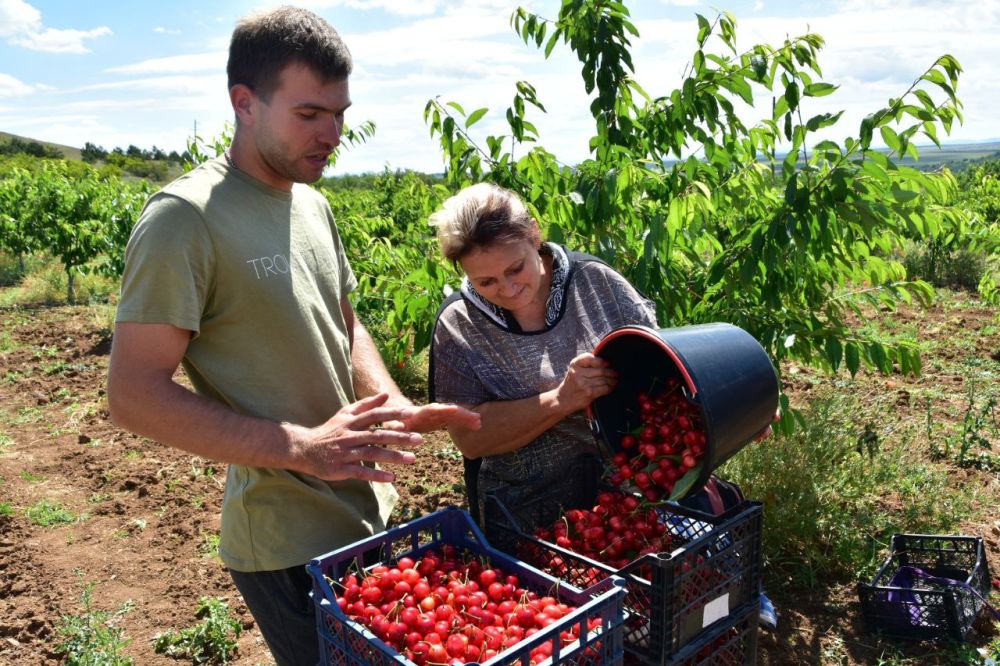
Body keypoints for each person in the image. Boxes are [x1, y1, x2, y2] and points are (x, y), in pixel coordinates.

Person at [106, 7, 479, 666]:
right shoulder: (184, 220)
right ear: (244, 103)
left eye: (339, 113)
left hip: (365, 506)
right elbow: (133, 395)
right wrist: (303, 448)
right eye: (309, 114)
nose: (332, 134)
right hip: (285, 539)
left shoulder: (313, 203)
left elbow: (343, 320)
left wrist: (390, 401)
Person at [427, 182, 658, 530]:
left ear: (534, 235)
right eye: (486, 282)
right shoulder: (459, 323)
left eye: (516, 268)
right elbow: (470, 439)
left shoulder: (596, 282)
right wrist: (561, 400)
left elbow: (661, 366)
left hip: (624, 499)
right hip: (523, 512)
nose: (507, 289)